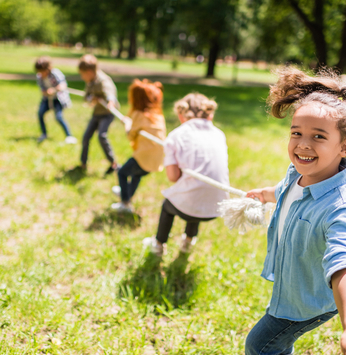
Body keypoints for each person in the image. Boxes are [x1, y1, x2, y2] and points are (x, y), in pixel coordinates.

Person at [245, 67, 346, 355]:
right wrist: (266, 195)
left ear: (344, 146)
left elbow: (342, 263)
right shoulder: (297, 174)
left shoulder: (339, 206)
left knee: (261, 344)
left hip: (310, 299)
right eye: (296, 133)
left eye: (318, 137)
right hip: (295, 286)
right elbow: (287, 191)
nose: (303, 143)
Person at [143, 93, 230, 257]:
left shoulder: (176, 135)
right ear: (209, 114)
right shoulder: (219, 133)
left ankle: (159, 245)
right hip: (217, 206)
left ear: (181, 115)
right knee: (197, 190)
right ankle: (188, 242)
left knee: (168, 206)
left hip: (191, 206)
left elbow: (173, 176)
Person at [111, 79, 166, 213]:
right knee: (137, 174)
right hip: (157, 159)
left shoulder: (138, 114)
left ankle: (125, 203)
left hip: (144, 156)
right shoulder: (158, 115)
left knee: (122, 172)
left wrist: (127, 124)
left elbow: (131, 135)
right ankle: (127, 194)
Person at [78, 54, 120, 176]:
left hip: (107, 114)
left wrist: (110, 102)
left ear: (89, 72)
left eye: (82, 74)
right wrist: (92, 98)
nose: (82, 77)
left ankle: (114, 164)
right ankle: (83, 163)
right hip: (97, 113)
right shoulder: (90, 82)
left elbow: (109, 91)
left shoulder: (103, 80)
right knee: (86, 137)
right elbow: (86, 97)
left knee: (102, 136)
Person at [35, 56, 77, 144]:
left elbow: (63, 85)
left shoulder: (55, 73)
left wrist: (54, 90)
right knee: (40, 113)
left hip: (58, 99)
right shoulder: (39, 77)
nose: (41, 74)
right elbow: (42, 90)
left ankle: (69, 136)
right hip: (47, 99)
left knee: (59, 117)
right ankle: (44, 134)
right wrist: (46, 92)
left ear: (47, 69)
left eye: (42, 71)